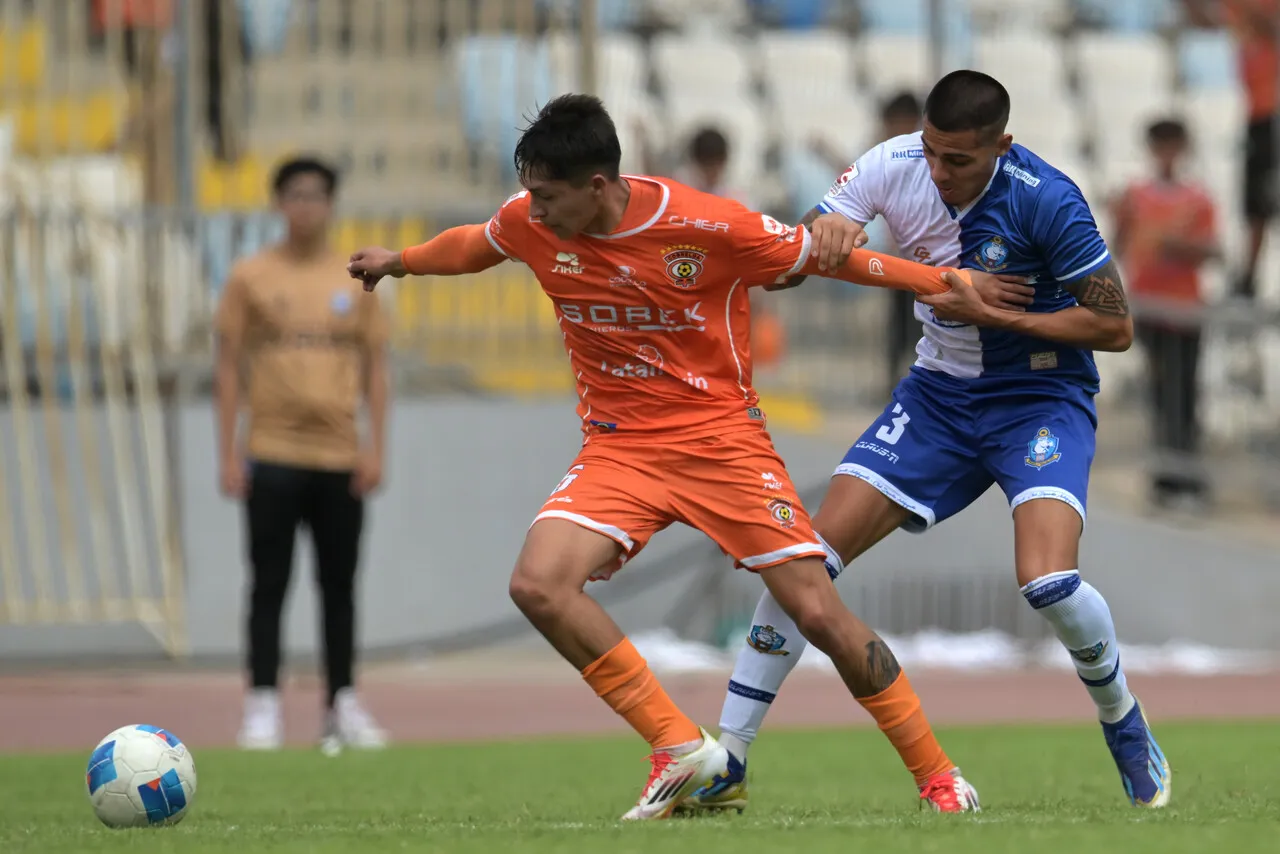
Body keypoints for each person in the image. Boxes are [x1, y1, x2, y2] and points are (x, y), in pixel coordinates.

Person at [347, 94, 997, 819]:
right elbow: (475, 244)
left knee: (815, 611)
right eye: (531, 194)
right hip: (620, 450)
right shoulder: (530, 221)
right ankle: (681, 750)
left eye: (550, 196)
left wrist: (943, 284)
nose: (535, 211)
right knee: (539, 584)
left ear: (598, 186)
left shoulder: (708, 224)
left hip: (722, 442)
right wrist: (399, 262)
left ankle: (940, 778)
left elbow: (834, 260)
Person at [683, 70, 1171, 814]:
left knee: (1046, 584)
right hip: (937, 401)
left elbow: (1117, 327)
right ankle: (730, 756)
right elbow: (800, 253)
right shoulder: (894, 163)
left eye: (959, 161)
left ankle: (1122, 720)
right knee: (798, 565)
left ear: (1000, 147)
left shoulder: (1048, 199)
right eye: (933, 153)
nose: (940, 174)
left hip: (1038, 399)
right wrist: (824, 236)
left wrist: (1003, 318)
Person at [214, 156, 390, 755]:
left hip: (339, 456)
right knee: (268, 584)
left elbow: (376, 370)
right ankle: (262, 703)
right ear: (277, 203)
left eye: (316, 195)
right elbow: (227, 366)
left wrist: (375, 448)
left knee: (338, 586)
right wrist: (228, 454)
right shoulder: (250, 277)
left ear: (331, 204)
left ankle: (341, 702)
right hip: (272, 451)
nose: (305, 206)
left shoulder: (357, 277)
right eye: (295, 195)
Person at [1113, 119, 1220, 510]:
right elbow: (1120, 241)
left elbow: (1210, 250)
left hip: (1186, 309)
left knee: (1185, 392)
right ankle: (1166, 476)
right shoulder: (1136, 195)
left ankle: (1186, 475)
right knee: (1161, 391)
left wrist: (1176, 246)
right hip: (1150, 306)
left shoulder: (1198, 199)